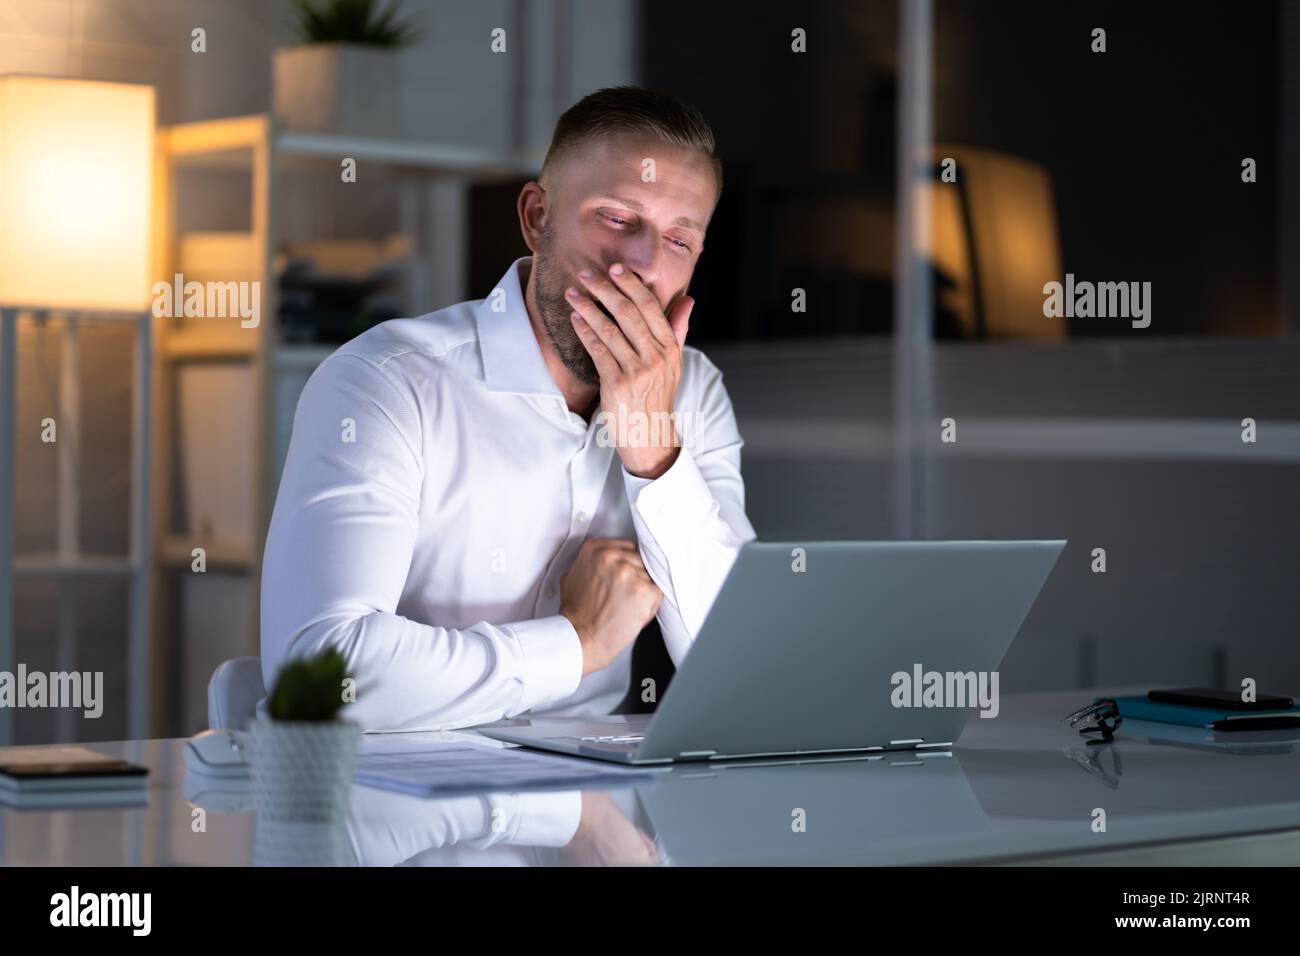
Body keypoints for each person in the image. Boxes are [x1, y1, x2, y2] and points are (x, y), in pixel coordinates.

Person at [260, 86, 755, 731]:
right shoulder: (383, 383)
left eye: (680, 241)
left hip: (590, 812)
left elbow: (741, 668)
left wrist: (652, 447)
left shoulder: (694, 396)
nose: (642, 264)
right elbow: (318, 680)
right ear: (535, 217)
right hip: (397, 812)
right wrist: (577, 642)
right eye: (616, 218)